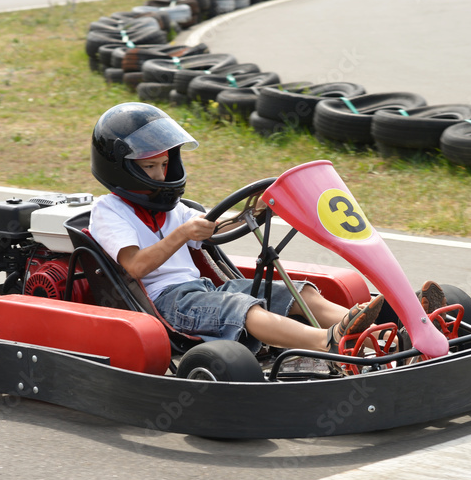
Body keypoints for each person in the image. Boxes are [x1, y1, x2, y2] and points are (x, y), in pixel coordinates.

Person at [87, 102, 397, 356]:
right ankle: (325, 341)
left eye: (164, 164)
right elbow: (136, 266)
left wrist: (257, 209)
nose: (160, 174)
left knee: (295, 291)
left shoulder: (171, 207)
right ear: (123, 168)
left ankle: (383, 338)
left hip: (203, 292)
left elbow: (216, 227)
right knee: (242, 308)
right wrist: (182, 234)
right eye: (149, 167)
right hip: (166, 304)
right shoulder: (109, 211)